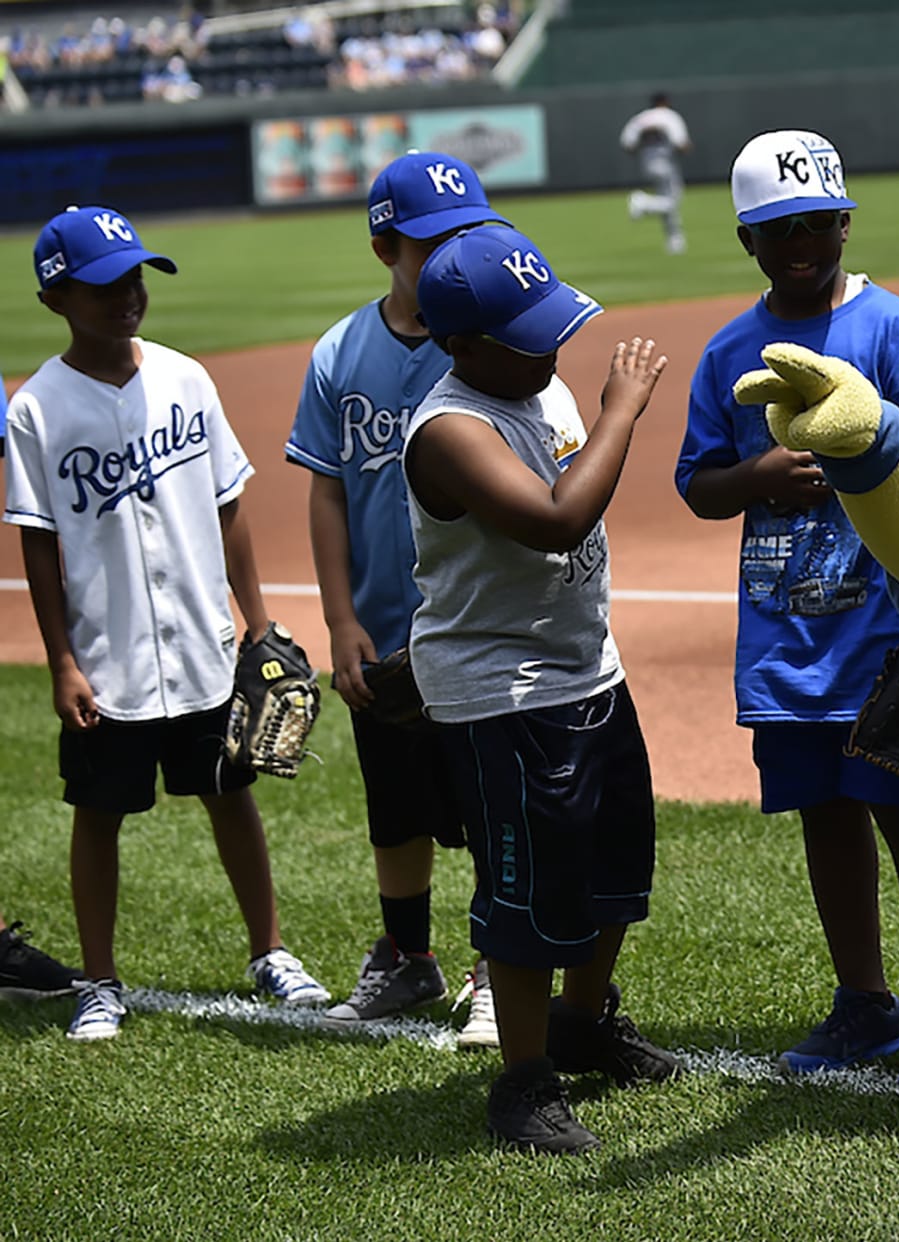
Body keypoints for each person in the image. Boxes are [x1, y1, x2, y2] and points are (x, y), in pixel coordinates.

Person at [675, 129, 899, 1080]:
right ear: (745, 242)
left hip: (889, 631)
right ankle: (864, 1005)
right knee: (825, 817)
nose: (799, 243)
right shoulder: (728, 351)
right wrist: (756, 471)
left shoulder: (893, 330)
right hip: (787, 638)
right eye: (776, 230)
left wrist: (860, 462)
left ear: (845, 221)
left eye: (814, 225)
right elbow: (698, 484)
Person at [4, 205, 328, 1043]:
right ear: (57, 299)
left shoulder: (186, 378)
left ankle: (270, 952)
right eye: (105, 285)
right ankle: (100, 980)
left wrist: (255, 622)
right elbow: (39, 546)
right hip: (107, 658)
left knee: (231, 797)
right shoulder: (37, 409)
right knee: (99, 813)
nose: (127, 296)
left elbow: (229, 507)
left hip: (201, 647)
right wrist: (63, 663)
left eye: (135, 278)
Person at [404, 223, 679, 1153]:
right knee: (525, 897)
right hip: (503, 692)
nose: (552, 349)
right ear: (461, 346)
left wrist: (593, 408)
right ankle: (523, 1083)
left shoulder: (537, 382)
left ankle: (583, 1022)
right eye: (528, 337)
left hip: (584, 667)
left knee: (613, 863)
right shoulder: (448, 430)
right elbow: (560, 519)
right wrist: (623, 410)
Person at [284, 151, 504, 1043]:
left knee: (491, 802)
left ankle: (499, 967)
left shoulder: (492, 342)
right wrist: (339, 620)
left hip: (478, 625)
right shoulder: (341, 351)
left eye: (466, 236)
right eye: (431, 243)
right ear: (386, 247)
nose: (452, 255)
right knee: (397, 805)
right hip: (383, 626)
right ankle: (408, 960)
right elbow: (328, 487)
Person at [621, 92, 691, 256]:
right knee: (673, 201)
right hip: (665, 162)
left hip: (647, 163)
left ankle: (674, 240)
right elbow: (680, 143)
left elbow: (627, 145)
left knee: (666, 198)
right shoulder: (669, 117)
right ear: (665, 102)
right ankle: (643, 202)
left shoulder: (641, 119)